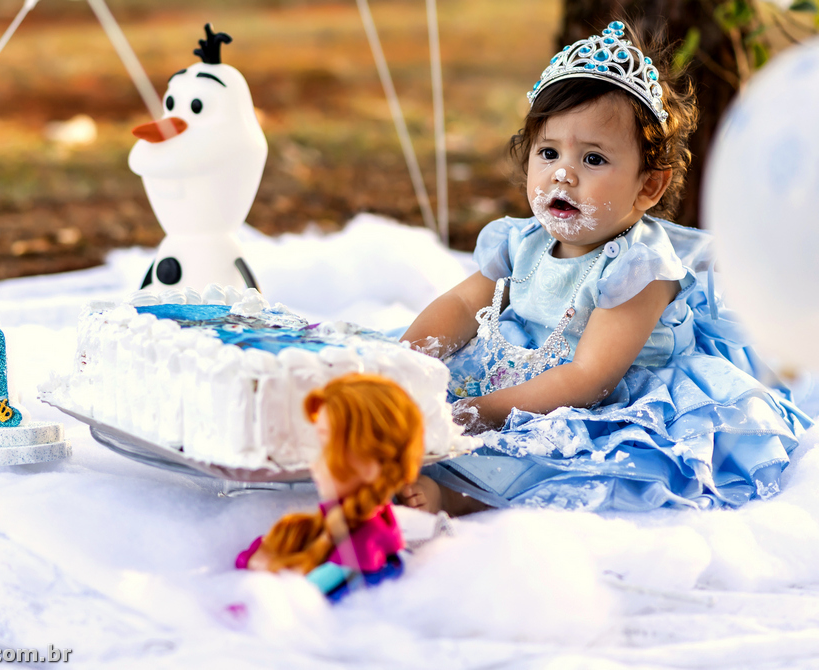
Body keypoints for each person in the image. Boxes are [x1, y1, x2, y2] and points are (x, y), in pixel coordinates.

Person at [398, 21, 812, 515]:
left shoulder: (640, 268)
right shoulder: (521, 240)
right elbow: (463, 303)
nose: (563, 173)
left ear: (648, 187)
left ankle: (459, 493)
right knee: (422, 397)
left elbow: (589, 376)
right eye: (548, 152)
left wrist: (480, 411)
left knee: (565, 452)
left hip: (603, 393)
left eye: (593, 159)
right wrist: (406, 361)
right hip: (524, 367)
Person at [236, 374, 424, 601]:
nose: (314, 463)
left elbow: (297, 600)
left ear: (370, 465)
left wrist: (259, 565)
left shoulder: (358, 551)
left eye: (328, 446)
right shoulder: (361, 525)